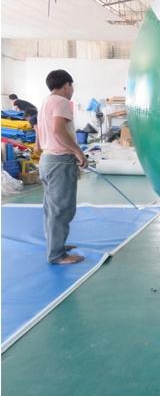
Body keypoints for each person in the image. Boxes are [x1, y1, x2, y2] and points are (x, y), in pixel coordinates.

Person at [35, 70, 88, 265]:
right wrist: (78, 152)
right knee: (62, 209)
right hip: (60, 161)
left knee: (51, 208)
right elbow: (58, 130)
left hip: (47, 160)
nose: (72, 91)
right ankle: (56, 255)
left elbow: (44, 130)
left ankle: (55, 245)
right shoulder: (62, 102)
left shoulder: (46, 102)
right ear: (67, 85)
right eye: (72, 87)